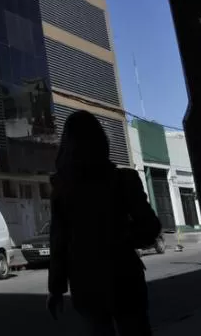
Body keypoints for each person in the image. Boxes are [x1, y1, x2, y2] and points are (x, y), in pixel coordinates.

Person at [46, 110, 162, 335]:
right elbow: (151, 228)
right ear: (101, 141)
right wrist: (122, 238)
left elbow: (58, 242)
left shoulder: (63, 191)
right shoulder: (123, 180)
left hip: (86, 284)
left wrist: (56, 290)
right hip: (125, 279)